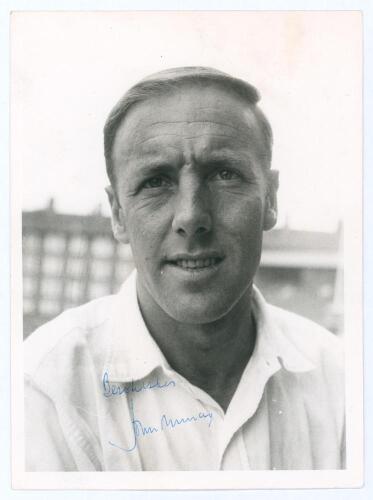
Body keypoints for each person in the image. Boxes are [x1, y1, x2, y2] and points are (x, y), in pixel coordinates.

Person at [24, 67, 345, 471]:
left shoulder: (345, 380)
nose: (191, 217)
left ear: (270, 199)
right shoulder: (45, 388)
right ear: (119, 214)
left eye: (225, 174)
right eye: (156, 182)